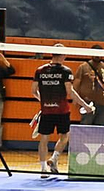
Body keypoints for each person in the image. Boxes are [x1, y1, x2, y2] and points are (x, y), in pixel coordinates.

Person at [34, 45, 92, 175]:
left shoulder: (40, 70)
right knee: (65, 136)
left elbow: (33, 91)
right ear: (63, 55)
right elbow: (70, 92)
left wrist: (43, 101)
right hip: (62, 111)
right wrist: (85, 105)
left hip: (46, 110)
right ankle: (54, 158)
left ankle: (43, 169)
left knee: (44, 139)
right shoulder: (66, 71)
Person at [74, 48, 104, 125]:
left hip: (103, 102)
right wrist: (75, 98)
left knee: (100, 127)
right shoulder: (83, 67)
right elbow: (76, 82)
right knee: (86, 125)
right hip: (87, 101)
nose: (97, 55)